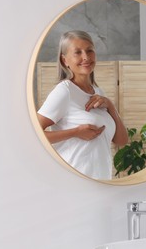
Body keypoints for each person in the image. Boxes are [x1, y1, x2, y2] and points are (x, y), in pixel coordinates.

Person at [37, 30, 128, 180]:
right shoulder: (65, 91)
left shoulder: (99, 93)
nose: (85, 57)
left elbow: (122, 140)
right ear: (64, 60)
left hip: (101, 181)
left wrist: (110, 106)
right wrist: (76, 132)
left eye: (89, 50)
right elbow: (34, 134)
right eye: (77, 52)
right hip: (73, 181)